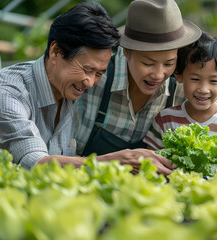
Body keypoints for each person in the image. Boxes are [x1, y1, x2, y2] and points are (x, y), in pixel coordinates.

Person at [0, 2, 171, 177]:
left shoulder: (67, 91)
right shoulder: (6, 93)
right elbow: (37, 164)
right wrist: (114, 161)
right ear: (56, 51)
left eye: (99, 73)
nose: (90, 82)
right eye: (87, 69)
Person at [74, 0, 202, 174]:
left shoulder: (181, 89)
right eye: (147, 63)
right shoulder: (95, 79)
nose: (158, 74)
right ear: (126, 51)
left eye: (169, 63)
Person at [143, 32, 217, 176]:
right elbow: (148, 167)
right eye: (195, 79)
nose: (203, 90)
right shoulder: (165, 119)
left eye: (213, 81)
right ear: (179, 76)